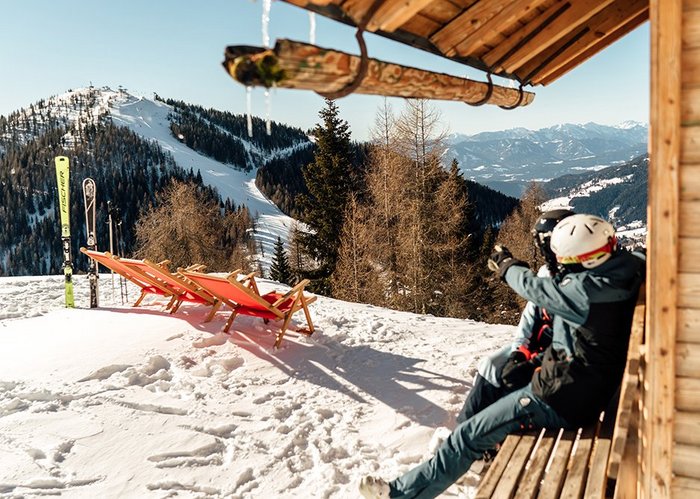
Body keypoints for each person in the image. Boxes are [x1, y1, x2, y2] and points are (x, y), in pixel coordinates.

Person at [359, 214, 645, 499]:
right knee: (497, 376)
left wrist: (506, 265)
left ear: (588, 259)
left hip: (559, 401)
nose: (564, 267)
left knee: (466, 436)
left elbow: (535, 288)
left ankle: (398, 495)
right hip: (584, 387)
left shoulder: (585, 291)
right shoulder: (626, 268)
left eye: (568, 261)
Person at [456, 209, 574, 425]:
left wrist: (530, 361)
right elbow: (529, 321)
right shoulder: (547, 274)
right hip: (537, 349)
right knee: (491, 365)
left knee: (514, 378)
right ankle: (467, 424)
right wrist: (520, 352)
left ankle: (484, 430)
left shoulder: (575, 282)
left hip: (557, 360)